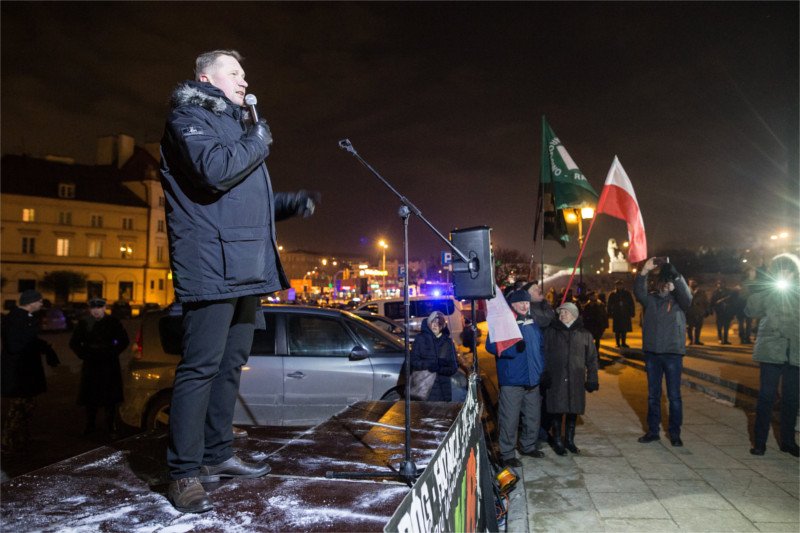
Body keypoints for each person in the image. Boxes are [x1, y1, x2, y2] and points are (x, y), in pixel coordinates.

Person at [159, 49, 319, 513]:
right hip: (211, 264)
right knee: (201, 367)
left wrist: (289, 203)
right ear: (206, 78)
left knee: (230, 365)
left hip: (245, 266)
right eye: (234, 72)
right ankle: (184, 472)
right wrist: (259, 139)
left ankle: (216, 454)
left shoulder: (235, 127)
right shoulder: (188, 118)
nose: (244, 80)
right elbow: (214, 172)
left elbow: (241, 201)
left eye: (245, 73)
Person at [486, 285, 554, 468]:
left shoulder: (533, 323)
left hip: (533, 380)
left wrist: (543, 370)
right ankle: (507, 453)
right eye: (520, 303)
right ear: (513, 305)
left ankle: (528, 446)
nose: (525, 306)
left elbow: (540, 349)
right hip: (512, 380)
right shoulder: (504, 322)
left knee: (532, 416)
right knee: (509, 419)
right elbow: (491, 346)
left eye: (527, 302)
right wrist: (512, 349)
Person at [745, 254, 799, 457]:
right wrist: (760, 286)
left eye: (789, 271)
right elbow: (750, 310)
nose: (785, 275)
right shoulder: (767, 291)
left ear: (794, 273)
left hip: (795, 351)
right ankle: (760, 442)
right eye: (780, 271)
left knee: (791, 399)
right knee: (766, 397)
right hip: (770, 350)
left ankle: (788, 441)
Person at [634, 259, 692, 446]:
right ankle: (653, 431)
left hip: (673, 353)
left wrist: (677, 279)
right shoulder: (650, 300)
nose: (665, 286)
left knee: (674, 396)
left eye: (668, 282)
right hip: (653, 353)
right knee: (653, 395)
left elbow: (688, 299)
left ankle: (675, 433)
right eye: (663, 282)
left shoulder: (679, 301)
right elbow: (639, 291)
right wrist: (644, 270)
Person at [0, 290, 60, 452]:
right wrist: (36, 347)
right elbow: (16, 345)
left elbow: (29, 340)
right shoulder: (16, 318)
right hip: (19, 372)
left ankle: (22, 438)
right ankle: (7, 442)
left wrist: (45, 347)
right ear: (30, 302)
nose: (41, 303)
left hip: (25, 371)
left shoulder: (25, 317)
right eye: (39, 301)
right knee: (19, 407)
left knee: (28, 405)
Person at [543, 302, 599, 455]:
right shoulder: (551, 332)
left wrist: (592, 378)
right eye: (560, 312)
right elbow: (544, 354)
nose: (561, 315)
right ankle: (557, 441)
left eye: (565, 312)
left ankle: (569, 440)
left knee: (573, 410)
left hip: (576, 379)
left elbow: (592, 359)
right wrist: (544, 373)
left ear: (574, 315)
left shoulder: (585, 334)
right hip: (557, 378)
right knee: (557, 410)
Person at [69, 298, 129, 436]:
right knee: (91, 396)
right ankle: (90, 425)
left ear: (104, 308)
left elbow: (124, 340)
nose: (96, 311)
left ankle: (110, 425)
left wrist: (113, 352)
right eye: (93, 308)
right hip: (92, 362)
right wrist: (84, 354)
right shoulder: (84, 323)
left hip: (109, 362)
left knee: (110, 397)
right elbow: (74, 342)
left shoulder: (113, 322)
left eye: (99, 308)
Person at [409, 311, 459, 401]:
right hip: (424, 389)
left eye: (438, 323)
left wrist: (439, 369)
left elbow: (453, 368)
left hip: (443, 390)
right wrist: (428, 365)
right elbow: (413, 361)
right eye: (433, 322)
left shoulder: (448, 343)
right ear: (429, 323)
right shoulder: (420, 339)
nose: (435, 325)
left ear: (443, 325)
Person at [607, 280, 635, 348]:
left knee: (624, 330)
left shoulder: (627, 293)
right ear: (616, 286)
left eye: (620, 285)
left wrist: (632, 312)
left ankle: (623, 342)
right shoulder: (613, 294)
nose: (619, 286)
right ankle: (617, 343)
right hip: (617, 314)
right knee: (617, 330)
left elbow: (631, 303)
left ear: (622, 285)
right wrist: (609, 313)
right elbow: (609, 304)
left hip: (625, 314)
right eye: (618, 285)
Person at [685, 278, 710, 345]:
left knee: (698, 327)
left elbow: (706, 301)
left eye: (694, 282)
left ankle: (697, 341)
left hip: (699, 312)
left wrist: (707, 310)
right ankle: (690, 340)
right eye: (691, 282)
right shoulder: (685, 291)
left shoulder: (701, 292)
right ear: (688, 283)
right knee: (689, 327)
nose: (692, 284)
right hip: (689, 312)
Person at [710, 280, 734, 344]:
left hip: (727, 311)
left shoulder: (728, 291)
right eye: (719, 284)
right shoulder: (715, 292)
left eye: (721, 283)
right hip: (719, 312)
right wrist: (711, 309)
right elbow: (712, 301)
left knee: (726, 326)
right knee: (719, 326)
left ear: (724, 284)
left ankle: (725, 340)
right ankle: (720, 339)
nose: (720, 285)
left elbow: (732, 300)